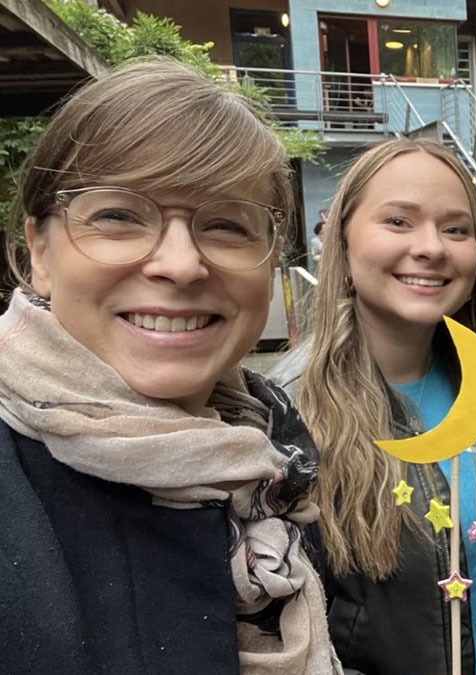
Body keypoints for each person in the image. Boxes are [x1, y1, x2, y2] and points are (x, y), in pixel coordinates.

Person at [0, 59, 339, 674]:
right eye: (119, 216)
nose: (181, 264)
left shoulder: (270, 458)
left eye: (225, 225)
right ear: (40, 251)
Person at [271, 137, 476, 675]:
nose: (432, 247)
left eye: (455, 228)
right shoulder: (286, 417)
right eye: (399, 222)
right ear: (343, 243)